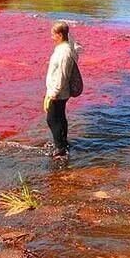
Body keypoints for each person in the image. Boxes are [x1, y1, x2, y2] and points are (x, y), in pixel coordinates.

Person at [44, 21, 81, 158]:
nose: (51, 37)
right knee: (60, 117)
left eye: (53, 35)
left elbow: (62, 75)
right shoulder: (65, 48)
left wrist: (53, 94)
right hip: (59, 91)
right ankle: (63, 143)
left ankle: (60, 148)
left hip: (58, 93)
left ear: (59, 35)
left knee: (52, 119)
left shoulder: (64, 53)